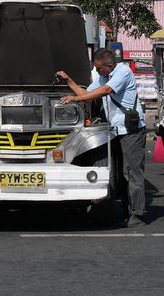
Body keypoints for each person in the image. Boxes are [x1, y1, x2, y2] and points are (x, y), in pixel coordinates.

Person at [57, 48, 146, 227]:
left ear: (109, 65)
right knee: (120, 174)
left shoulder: (123, 72)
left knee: (133, 172)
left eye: (98, 68)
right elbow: (87, 96)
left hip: (131, 131)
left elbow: (105, 91)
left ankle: (138, 214)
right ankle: (126, 211)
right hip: (115, 131)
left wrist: (73, 99)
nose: (96, 71)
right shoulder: (103, 76)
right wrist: (69, 81)